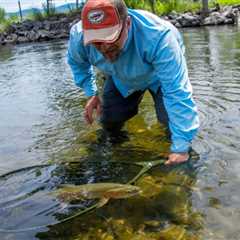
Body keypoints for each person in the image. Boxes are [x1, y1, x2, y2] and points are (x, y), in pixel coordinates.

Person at [67, 0, 200, 165]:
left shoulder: (160, 37)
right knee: (109, 122)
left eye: (110, 38)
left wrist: (180, 149)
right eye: (96, 42)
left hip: (159, 79)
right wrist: (91, 93)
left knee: (173, 127)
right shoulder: (79, 37)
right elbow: (78, 63)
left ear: (127, 23)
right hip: (121, 79)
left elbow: (177, 92)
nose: (104, 48)